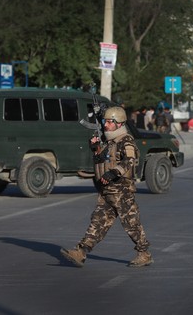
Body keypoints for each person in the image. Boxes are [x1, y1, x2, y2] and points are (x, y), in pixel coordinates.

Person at [61, 106, 153, 268]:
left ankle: (144, 253)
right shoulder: (108, 142)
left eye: (110, 122)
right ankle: (81, 252)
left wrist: (113, 173)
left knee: (131, 222)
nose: (106, 125)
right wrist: (95, 148)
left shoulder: (126, 140)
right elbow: (100, 161)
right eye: (105, 121)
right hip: (107, 190)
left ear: (119, 124)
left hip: (122, 190)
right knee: (98, 221)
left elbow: (130, 161)